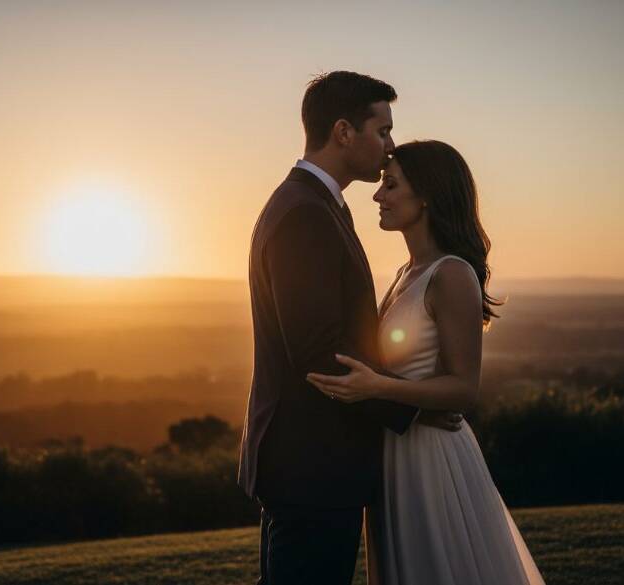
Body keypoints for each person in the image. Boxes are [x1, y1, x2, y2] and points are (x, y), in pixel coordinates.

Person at [237, 71, 462, 585]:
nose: (390, 146)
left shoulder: (312, 204)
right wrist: (413, 406)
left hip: (311, 464)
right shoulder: (305, 213)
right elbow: (318, 352)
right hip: (313, 464)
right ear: (343, 132)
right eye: (382, 131)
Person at [307, 140, 545, 584]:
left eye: (391, 185)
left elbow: (463, 388)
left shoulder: (451, 274)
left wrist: (379, 388)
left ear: (427, 197)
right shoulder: (406, 272)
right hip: (393, 454)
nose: (378, 195)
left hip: (431, 459)